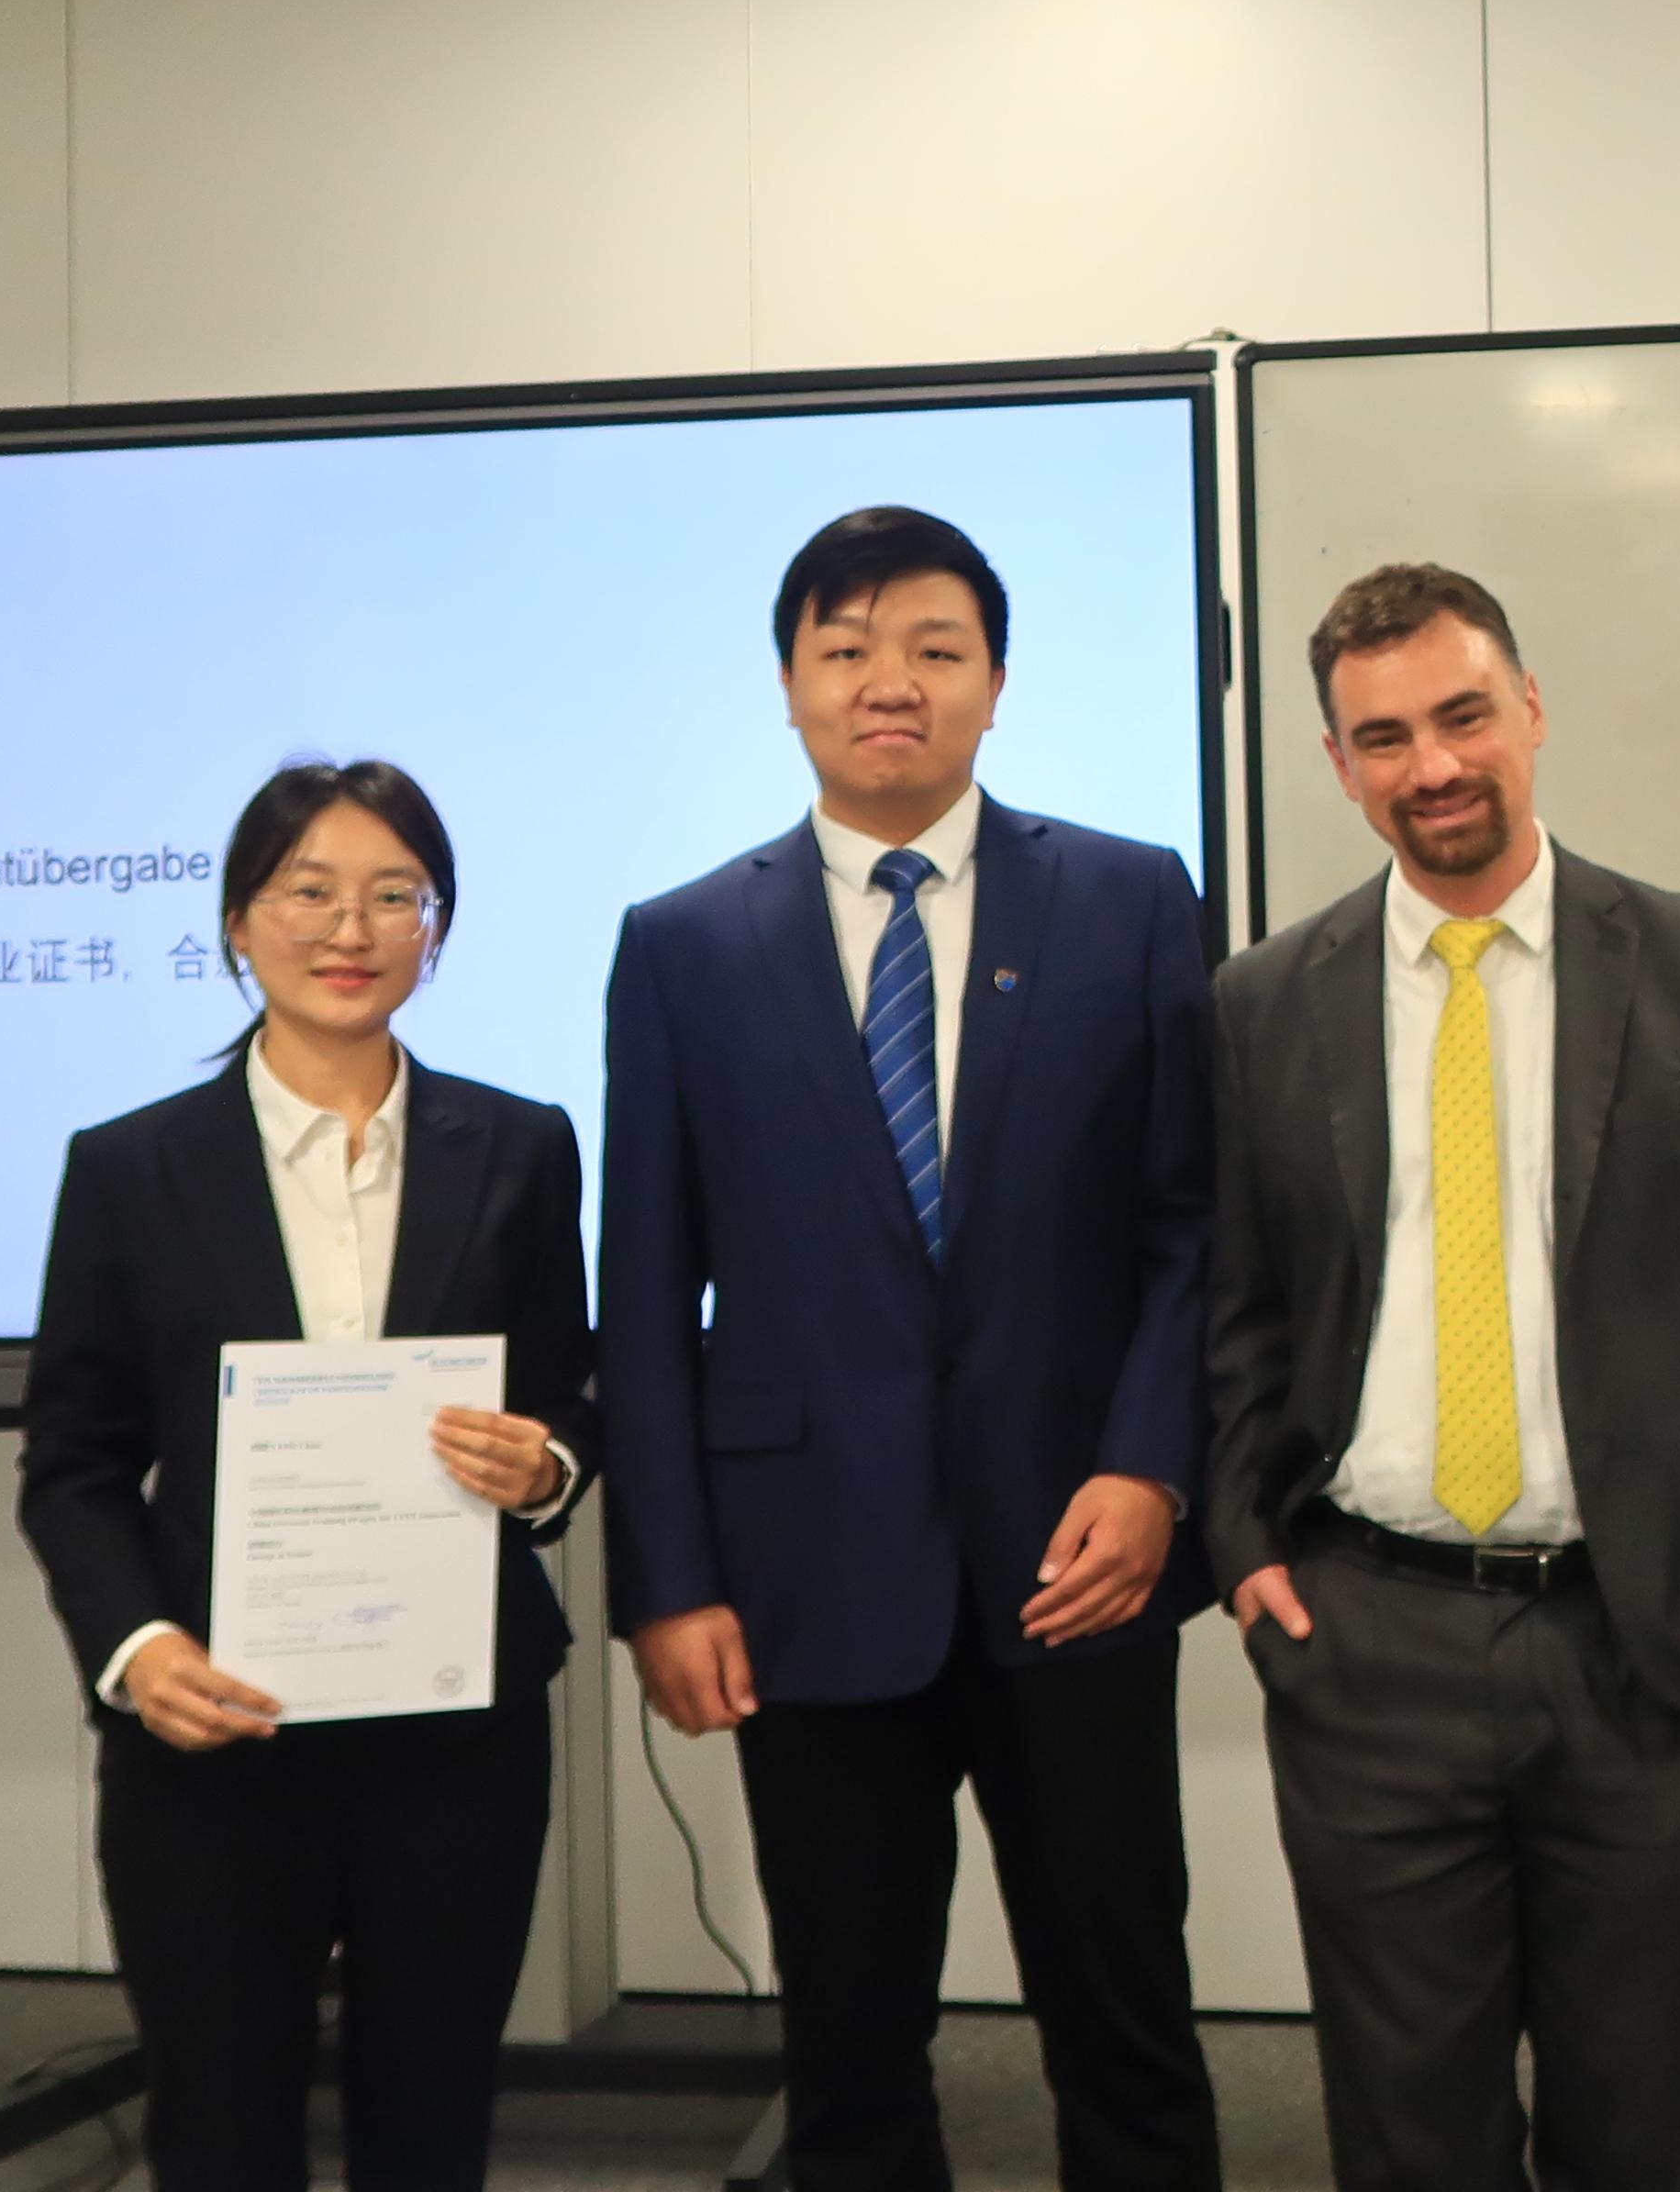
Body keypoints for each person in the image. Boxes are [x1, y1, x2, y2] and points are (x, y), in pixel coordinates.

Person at [598, 506, 1222, 2192]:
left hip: (1078, 1557)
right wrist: (666, 1581)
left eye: (937, 649)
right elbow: (643, 1293)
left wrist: (1154, 1468)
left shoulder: (1129, 898)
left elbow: (1191, 1225)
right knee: (851, 2047)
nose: (893, 683)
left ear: (996, 683)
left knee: (1127, 2018)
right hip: (808, 1573)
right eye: (848, 650)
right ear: (790, 683)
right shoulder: (683, 945)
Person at [1203, 562, 1680, 2192]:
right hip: (1367, 1641)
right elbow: (1239, 1306)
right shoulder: (1265, 1001)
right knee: (1411, 2134)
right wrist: (1245, 1550)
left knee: (1643, 2125)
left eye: (1464, 716)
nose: (1434, 766)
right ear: (1338, 764)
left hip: (1645, 1636)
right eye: (1384, 737)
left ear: (1532, 711)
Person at [18, 759, 598, 2192]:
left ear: (435, 930)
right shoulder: (133, 1168)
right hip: (216, 1731)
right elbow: (75, 1461)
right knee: (220, 2128)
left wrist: (545, 1467)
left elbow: (570, 1397)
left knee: (431, 2123)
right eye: (310, 893)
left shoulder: (520, 1149)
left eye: (395, 896)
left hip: (453, 1737)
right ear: (238, 922)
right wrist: (138, 1650)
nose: (351, 930)